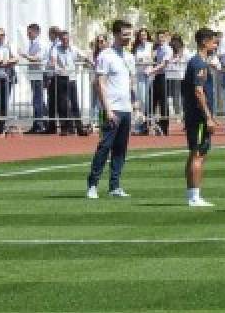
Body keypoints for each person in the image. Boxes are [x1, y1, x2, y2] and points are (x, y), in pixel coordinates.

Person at [86, 19, 135, 199]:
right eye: (124, 35)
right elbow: (99, 83)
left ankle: (115, 185)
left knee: (121, 149)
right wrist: (107, 109)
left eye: (129, 34)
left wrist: (135, 103)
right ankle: (92, 184)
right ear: (115, 34)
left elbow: (130, 81)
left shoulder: (129, 56)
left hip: (125, 108)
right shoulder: (106, 55)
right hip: (111, 108)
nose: (128, 38)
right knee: (104, 146)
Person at [181, 27, 220, 207]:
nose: (216, 43)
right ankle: (194, 197)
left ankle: (192, 194)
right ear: (204, 42)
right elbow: (198, 91)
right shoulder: (199, 64)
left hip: (195, 115)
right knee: (198, 154)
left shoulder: (198, 62)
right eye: (213, 40)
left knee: (195, 153)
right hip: (198, 118)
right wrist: (208, 117)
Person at [49, 30, 80, 135]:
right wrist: (59, 69)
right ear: (60, 39)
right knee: (63, 104)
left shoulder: (74, 49)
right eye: (63, 39)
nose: (65, 41)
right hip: (61, 78)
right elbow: (53, 62)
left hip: (72, 78)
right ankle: (65, 128)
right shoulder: (56, 48)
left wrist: (91, 61)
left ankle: (79, 127)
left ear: (69, 39)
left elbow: (84, 55)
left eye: (67, 39)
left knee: (74, 103)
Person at [21, 23, 48, 134]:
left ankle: (40, 124)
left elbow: (39, 58)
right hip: (34, 75)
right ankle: (38, 123)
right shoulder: (32, 44)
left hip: (39, 74)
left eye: (30, 32)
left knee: (38, 100)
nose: (28, 34)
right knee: (37, 99)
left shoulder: (40, 43)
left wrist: (25, 56)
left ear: (36, 32)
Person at [149, 29, 173, 135]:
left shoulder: (168, 49)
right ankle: (151, 125)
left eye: (162, 37)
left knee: (163, 103)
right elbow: (154, 61)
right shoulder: (157, 49)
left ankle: (164, 127)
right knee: (153, 101)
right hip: (157, 76)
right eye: (158, 37)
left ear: (166, 37)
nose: (160, 39)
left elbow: (164, 63)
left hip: (164, 76)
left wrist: (152, 70)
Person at [132, 27, 153, 134]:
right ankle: (142, 123)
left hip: (148, 74)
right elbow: (134, 59)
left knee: (148, 100)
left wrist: (146, 60)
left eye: (144, 35)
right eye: (141, 35)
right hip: (139, 74)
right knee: (141, 100)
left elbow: (153, 59)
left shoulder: (151, 45)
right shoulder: (137, 47)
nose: (143, 37)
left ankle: (148, 122)